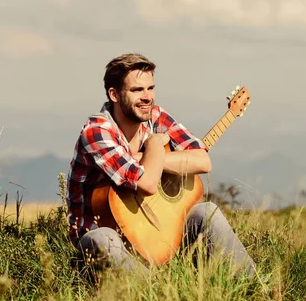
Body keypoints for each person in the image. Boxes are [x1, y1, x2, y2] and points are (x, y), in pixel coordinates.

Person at [66, 52, 257, 277]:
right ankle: (153, 291)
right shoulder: (96, 131)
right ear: (114, 94)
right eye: (137, 90)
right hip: (109, 244)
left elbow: (202, 161)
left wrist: (154, 160)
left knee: (207, 211)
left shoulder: (156, 116)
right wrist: (155, 144)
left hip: (158, 232)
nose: (147, 97)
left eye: (150, 88)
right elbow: (146, 183)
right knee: (101, 240)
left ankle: (261, 291)